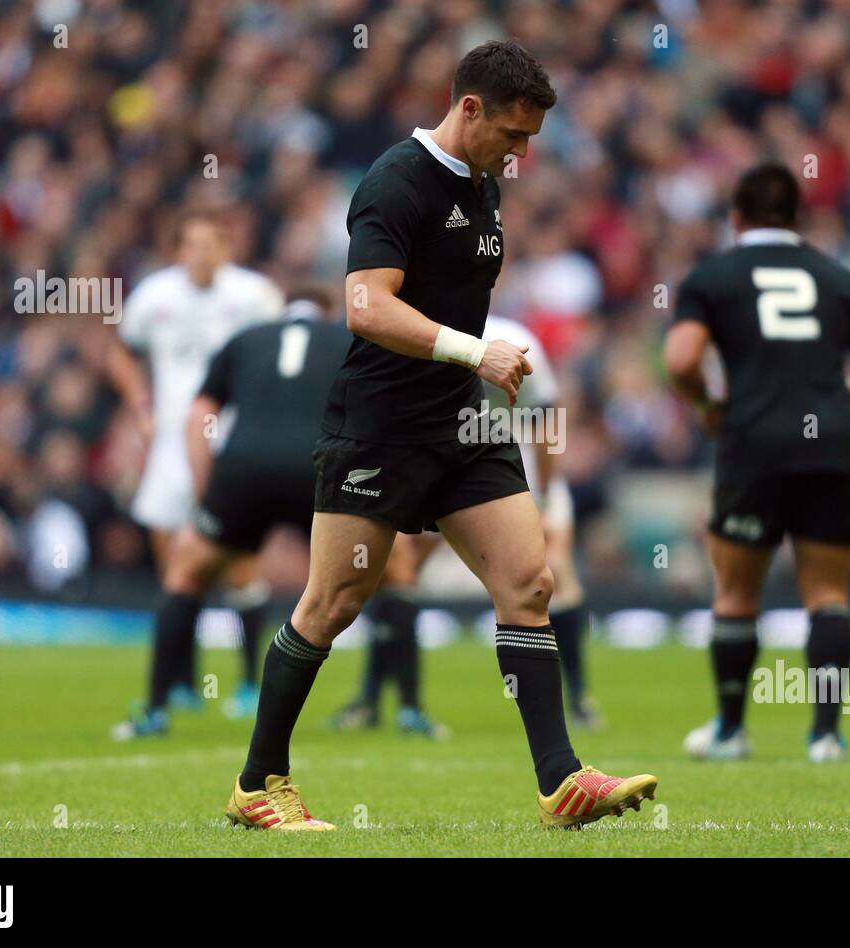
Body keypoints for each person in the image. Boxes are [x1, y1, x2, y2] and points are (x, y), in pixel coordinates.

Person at [225, 41, 656, 832]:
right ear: (468, 109)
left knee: (529, 583)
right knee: (332, 602)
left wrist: (473, 368)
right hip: (380, 428)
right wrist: (474, 350)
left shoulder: (486, 186)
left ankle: (560, 782)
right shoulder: (394, 181)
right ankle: (258, 782)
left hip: (460, 422)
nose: (522, 153)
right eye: (513, 134)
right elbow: (364, 306)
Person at [663, 163, 850, 763]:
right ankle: (826, 736)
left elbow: (679, 361)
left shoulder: (714, 276)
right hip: (831, 444)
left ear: (736, 217)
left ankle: (730, 731)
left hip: (754, 445)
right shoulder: (836, 276)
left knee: (735, 594)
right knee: (828, 592)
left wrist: (706, 404)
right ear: (799, 220)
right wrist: (846, 400)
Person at [330, 314, 601, 737]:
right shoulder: (420, 334)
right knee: (395, 571)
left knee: (553, 572)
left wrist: (545, 500)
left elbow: (545, 420)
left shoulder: (515, 339)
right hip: (439, 468)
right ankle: (374, 699)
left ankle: (579, 698)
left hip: (511, 470)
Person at [113, 295, 350, 739]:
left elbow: (200, 416)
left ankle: (155, 708)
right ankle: (391, 704)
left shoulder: (247, 338)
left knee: (185, 572)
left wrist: (207, 494)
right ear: (326, 312)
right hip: (317, 468)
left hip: (243, 470)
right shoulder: (347, 339)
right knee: (393, 572)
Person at [109, 212, 285, 715]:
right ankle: (182, 683)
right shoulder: (154, 297)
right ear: (178, 250)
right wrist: (139, 405)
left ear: (226, 249)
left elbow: (279, 356)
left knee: (239, 564)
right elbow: (121, 353)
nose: (202, 254)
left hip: (233, 443)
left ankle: (251, 682)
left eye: (212, 244)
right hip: (171, 445)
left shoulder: (254, 297)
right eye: (193, 244)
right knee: (175, 566)